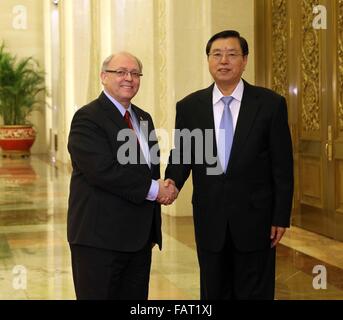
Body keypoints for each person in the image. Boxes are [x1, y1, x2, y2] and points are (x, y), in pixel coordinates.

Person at [164, 30, 294, 299]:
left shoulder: (270, 105)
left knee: (255, 292)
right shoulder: (190, 107)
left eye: (232, 54)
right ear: (209, 60)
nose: (224, 61)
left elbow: (282, 166)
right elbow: (184, 154)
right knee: (213, 291)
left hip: (257, 220)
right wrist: (171, 182)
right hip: (210, 219)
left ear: (244, 60)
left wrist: (281, 216)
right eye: (217, 54)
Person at [67, 52, 176, 300]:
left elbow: (149, 168)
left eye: (135, 73)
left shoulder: (143, 118)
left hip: (139, 240)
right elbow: (103, 171)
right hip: (99, 241)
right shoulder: (88, 118)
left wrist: (165, 186)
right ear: (103, 76)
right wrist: (155, 190)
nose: (129, 78)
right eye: (121, 72)